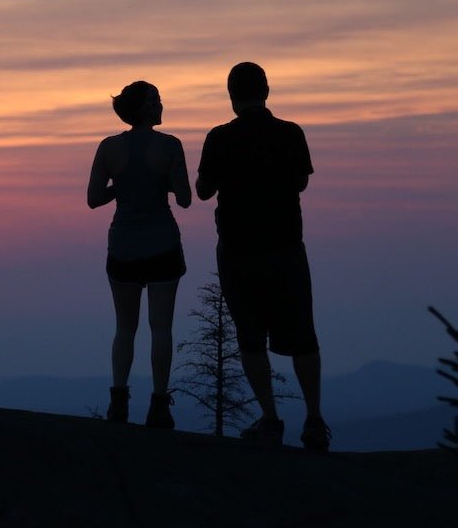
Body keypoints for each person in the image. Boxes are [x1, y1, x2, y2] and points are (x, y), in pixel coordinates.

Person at [195, 62, 330, 451]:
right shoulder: (290, 133)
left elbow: (204, 191)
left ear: (231, 96)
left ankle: (270, 419)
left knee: (250, 336)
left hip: (238, 249)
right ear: (267, 91)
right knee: (303, 335)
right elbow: (302, 181)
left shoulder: (219, 138)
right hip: (286, 245)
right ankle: (315, 420)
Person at [88, 81, 191, 427]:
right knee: (161, 327)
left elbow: (93, 199)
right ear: (147, 108)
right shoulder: (170, 146)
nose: (162, 104)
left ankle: (119, 400)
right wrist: (159, 181)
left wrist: (124, 184)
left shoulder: (108, 148)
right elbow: (185, 198)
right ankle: (159, 405)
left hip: (123, 247)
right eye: (158, 99)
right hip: (162, 243)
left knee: (125, 328)